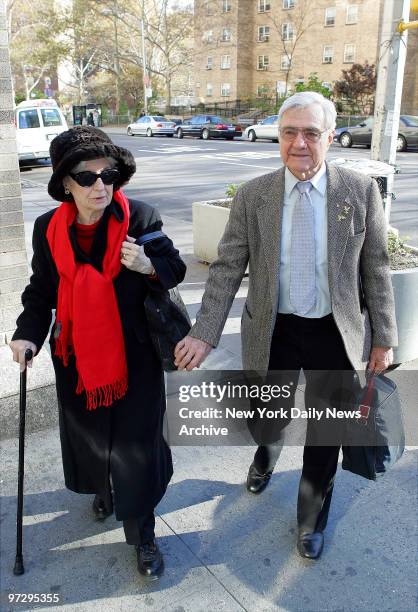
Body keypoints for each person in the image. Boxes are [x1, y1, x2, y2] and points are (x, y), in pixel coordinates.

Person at [174, 92, 397, 559]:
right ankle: (267, 451)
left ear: (329, 138)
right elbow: (228, 268)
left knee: (326, 433)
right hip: (271, 331)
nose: (299, 143)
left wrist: (383, 340)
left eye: (311, 133)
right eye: (290, 132)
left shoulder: (359, 193)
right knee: (267, 420)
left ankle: (311, 520)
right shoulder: (254, 195)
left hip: (335, 334)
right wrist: (203, 331)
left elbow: (375, 271)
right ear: (280, 136)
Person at [10, 126, 186, 578]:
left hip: (134, 358)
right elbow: (41, 287)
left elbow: (174, 267)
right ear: (65, 183)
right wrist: (27, 333)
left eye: (107, 175)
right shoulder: (47, 228)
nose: (99, 186)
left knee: (137, 446)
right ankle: (103, 487)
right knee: (91, 437)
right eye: (86, 177)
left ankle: (142, 531)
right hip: (76, 354)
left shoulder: (140, 219)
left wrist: (148, 265)